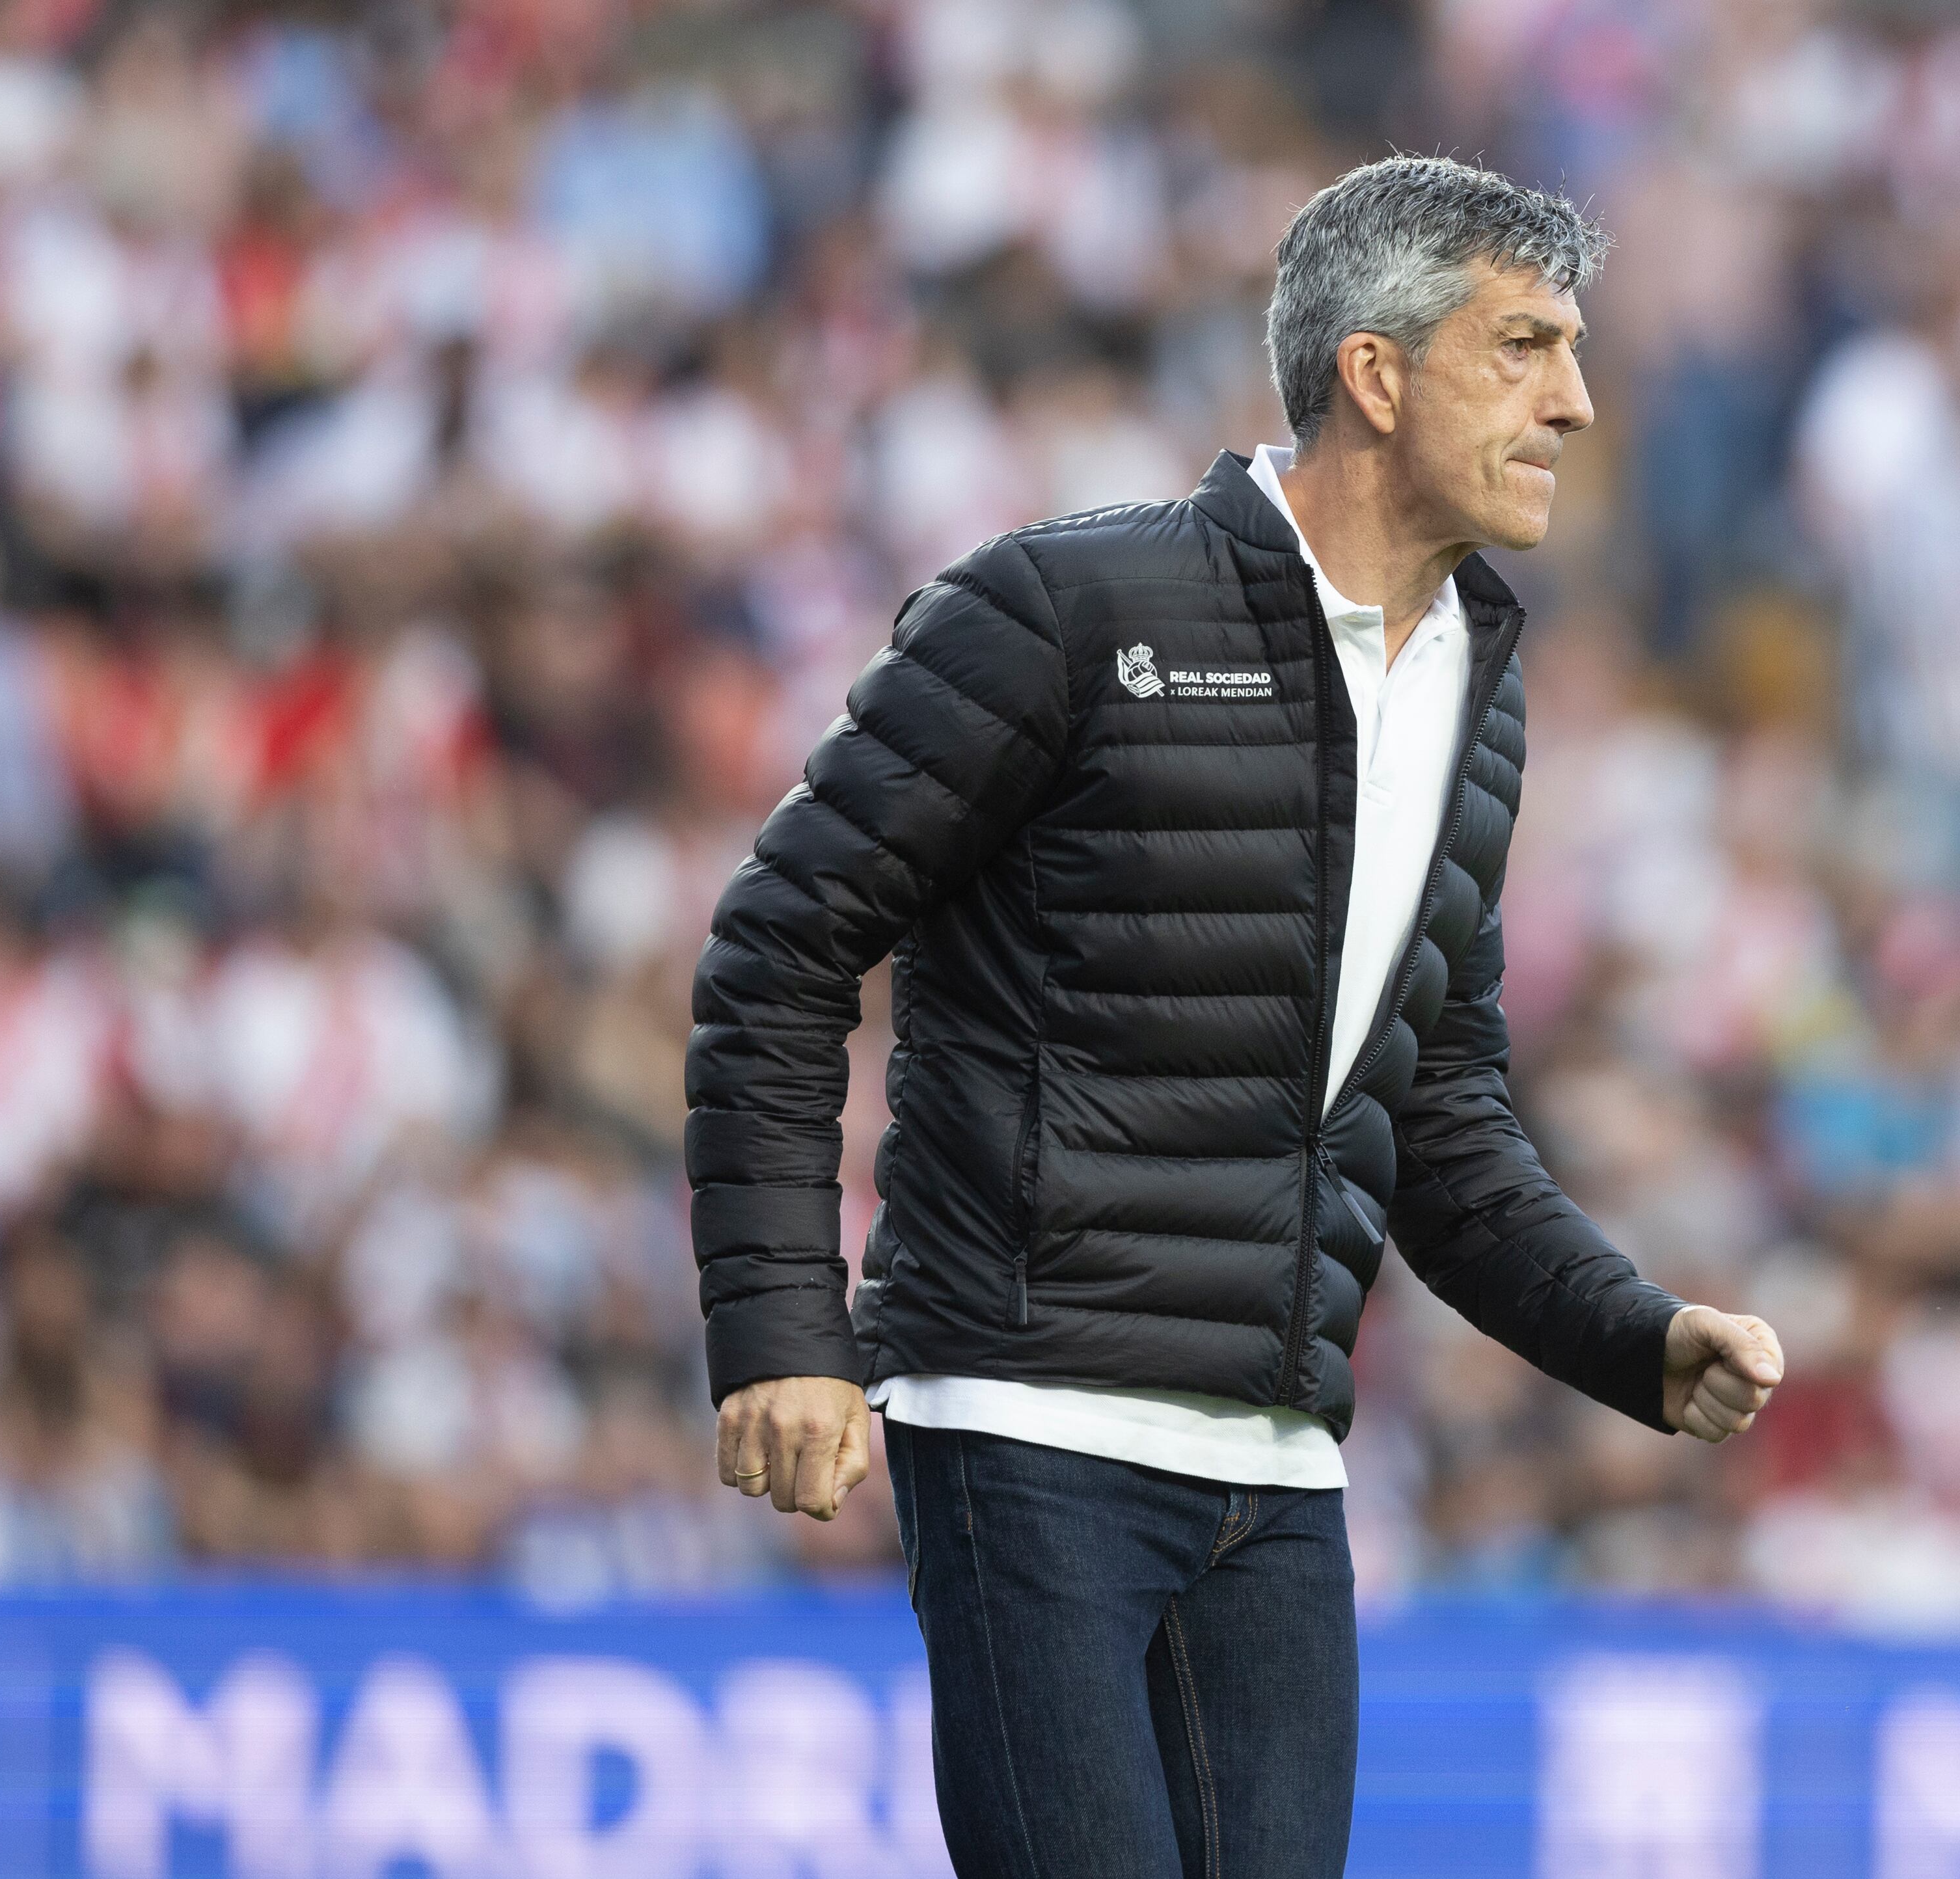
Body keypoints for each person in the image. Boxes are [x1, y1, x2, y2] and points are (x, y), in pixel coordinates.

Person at [686, 155, 1784, 1878]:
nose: (1573, 401)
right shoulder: (1063, 608)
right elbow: (777, 945)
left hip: (1279, 1470)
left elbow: (1434, 1120)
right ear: (1373, 371)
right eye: (1520, 348)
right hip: (1027, 1425)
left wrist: (1627, 1336)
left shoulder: (1473, 693)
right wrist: (778, 1334)